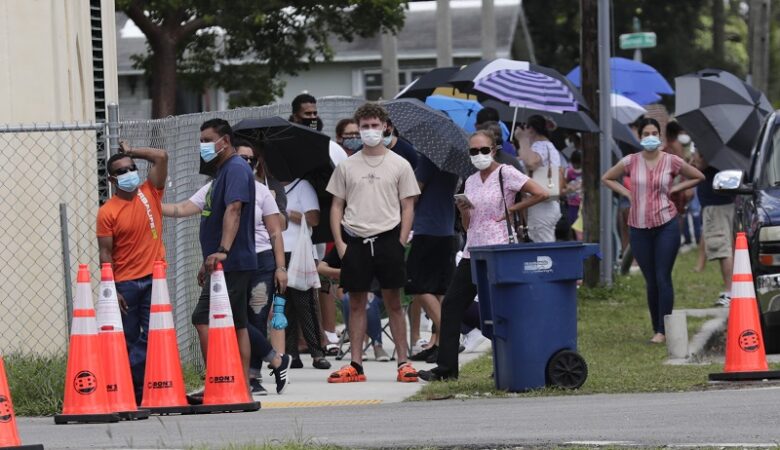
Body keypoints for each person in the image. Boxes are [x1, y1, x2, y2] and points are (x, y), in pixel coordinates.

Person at [418, 130, 548, 382]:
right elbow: (468, 225)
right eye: (473, 151)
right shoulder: (470, 180)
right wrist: (463, 210)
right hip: (473, 248)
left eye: (483, 150)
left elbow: (540, 193)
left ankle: (513, 359)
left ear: (494, 149)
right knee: (452, 304)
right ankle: (446, 369)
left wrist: (511, 209)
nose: (478, 155)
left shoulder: (506, 173)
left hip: (498, 248)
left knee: (501, 307)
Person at [163, 138, 289, 395]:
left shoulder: (262, 192)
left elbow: (276, 232)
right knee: (235, 320)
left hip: (261, 260)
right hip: (227, 262)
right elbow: (187, 210)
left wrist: (281, 268)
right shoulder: (215, 187)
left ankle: (253, 376)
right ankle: (269, 362)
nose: (244, 164)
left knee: (251, 318)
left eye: (250, 160)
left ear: (256, 165)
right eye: (240, 158)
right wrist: (151, 204)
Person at [326, 103, 421, 383]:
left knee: (393, 302)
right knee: (355, 302)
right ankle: (356, 364)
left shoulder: (399, 164)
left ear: (385, 127)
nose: (369, 132)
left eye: (373, 126)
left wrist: (401, 240)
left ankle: (403, 361)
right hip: (355, 239)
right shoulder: (346, 165)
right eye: (363, 127)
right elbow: (336, 206)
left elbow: (408, 206)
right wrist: (341, 244)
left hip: (389, 238)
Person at [602, 118, 704, 344]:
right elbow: (606, 178)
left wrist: (675, 187)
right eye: (646, 133)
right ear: (640, 137)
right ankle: (656, 325)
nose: (650, 137)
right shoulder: (630, 161)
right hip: (638, 226)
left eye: (654, 133)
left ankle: (663, 329)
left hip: (666, 223)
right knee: (651, 280)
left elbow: (698, 176)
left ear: (660, 136)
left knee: (662, 276)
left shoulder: (671, 161)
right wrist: (627, 194)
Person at [97, 141, 168, 404]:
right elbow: (105, 253)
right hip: (125, 284)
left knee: (151, 336)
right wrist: (111, 289)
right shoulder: (107, 212)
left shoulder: (150, 191)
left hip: (154, 281)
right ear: (112, 179)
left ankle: (126, 375)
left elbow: (161, 156)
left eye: (132, 168)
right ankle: (133, 395)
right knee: (127, 338)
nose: (129, 174)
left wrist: (131, 152)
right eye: (122, 171)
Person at [406, 154, 460, 364]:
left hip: (427, 228)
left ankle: (447, 338)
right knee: (439, 289)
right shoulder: (454, 163)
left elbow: (414, 191)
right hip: (446, 230)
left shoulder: (428, 159)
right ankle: (436, 343)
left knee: (417, 284)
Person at [281, 175, 331, 370]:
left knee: (305, 303)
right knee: (283, 305)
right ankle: (291, 353)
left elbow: (313, 219)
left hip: (298, 252)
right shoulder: (265, 187)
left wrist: (286, 212)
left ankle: (317, 352)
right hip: (276, 251)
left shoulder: (302, 186)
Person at [317, 249, 389, 361]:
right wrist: (341, 272)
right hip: (353, 293)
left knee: (368, 299)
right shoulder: (348, 245)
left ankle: (377, 344)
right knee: (348, 298)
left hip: (381, 296)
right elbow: (321, 267)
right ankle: (359, 347)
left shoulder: (378, 243)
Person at [692, 151, 735, 307]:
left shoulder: (707, 145)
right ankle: (733, 290)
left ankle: (730, 292)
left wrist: (695, 157)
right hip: (727, 201)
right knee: (730, 247)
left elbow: (700, 165)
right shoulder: (722, 146)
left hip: (715, 205)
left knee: (723, 250)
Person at [517, 115, 564, 242]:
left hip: (541, 206)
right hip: (549, 203)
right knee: (545, 241)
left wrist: (522, 139)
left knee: (543, 247)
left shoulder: (540, 145)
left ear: (530, 129)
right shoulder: (549, 146)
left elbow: (531, 163)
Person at [564, 150, 583, 227]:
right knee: (572, 221)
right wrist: (569, 187)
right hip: (572, 201)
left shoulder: (585, 171)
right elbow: (565, 183)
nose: (576, 166)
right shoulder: (569, 171)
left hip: (581, 202)